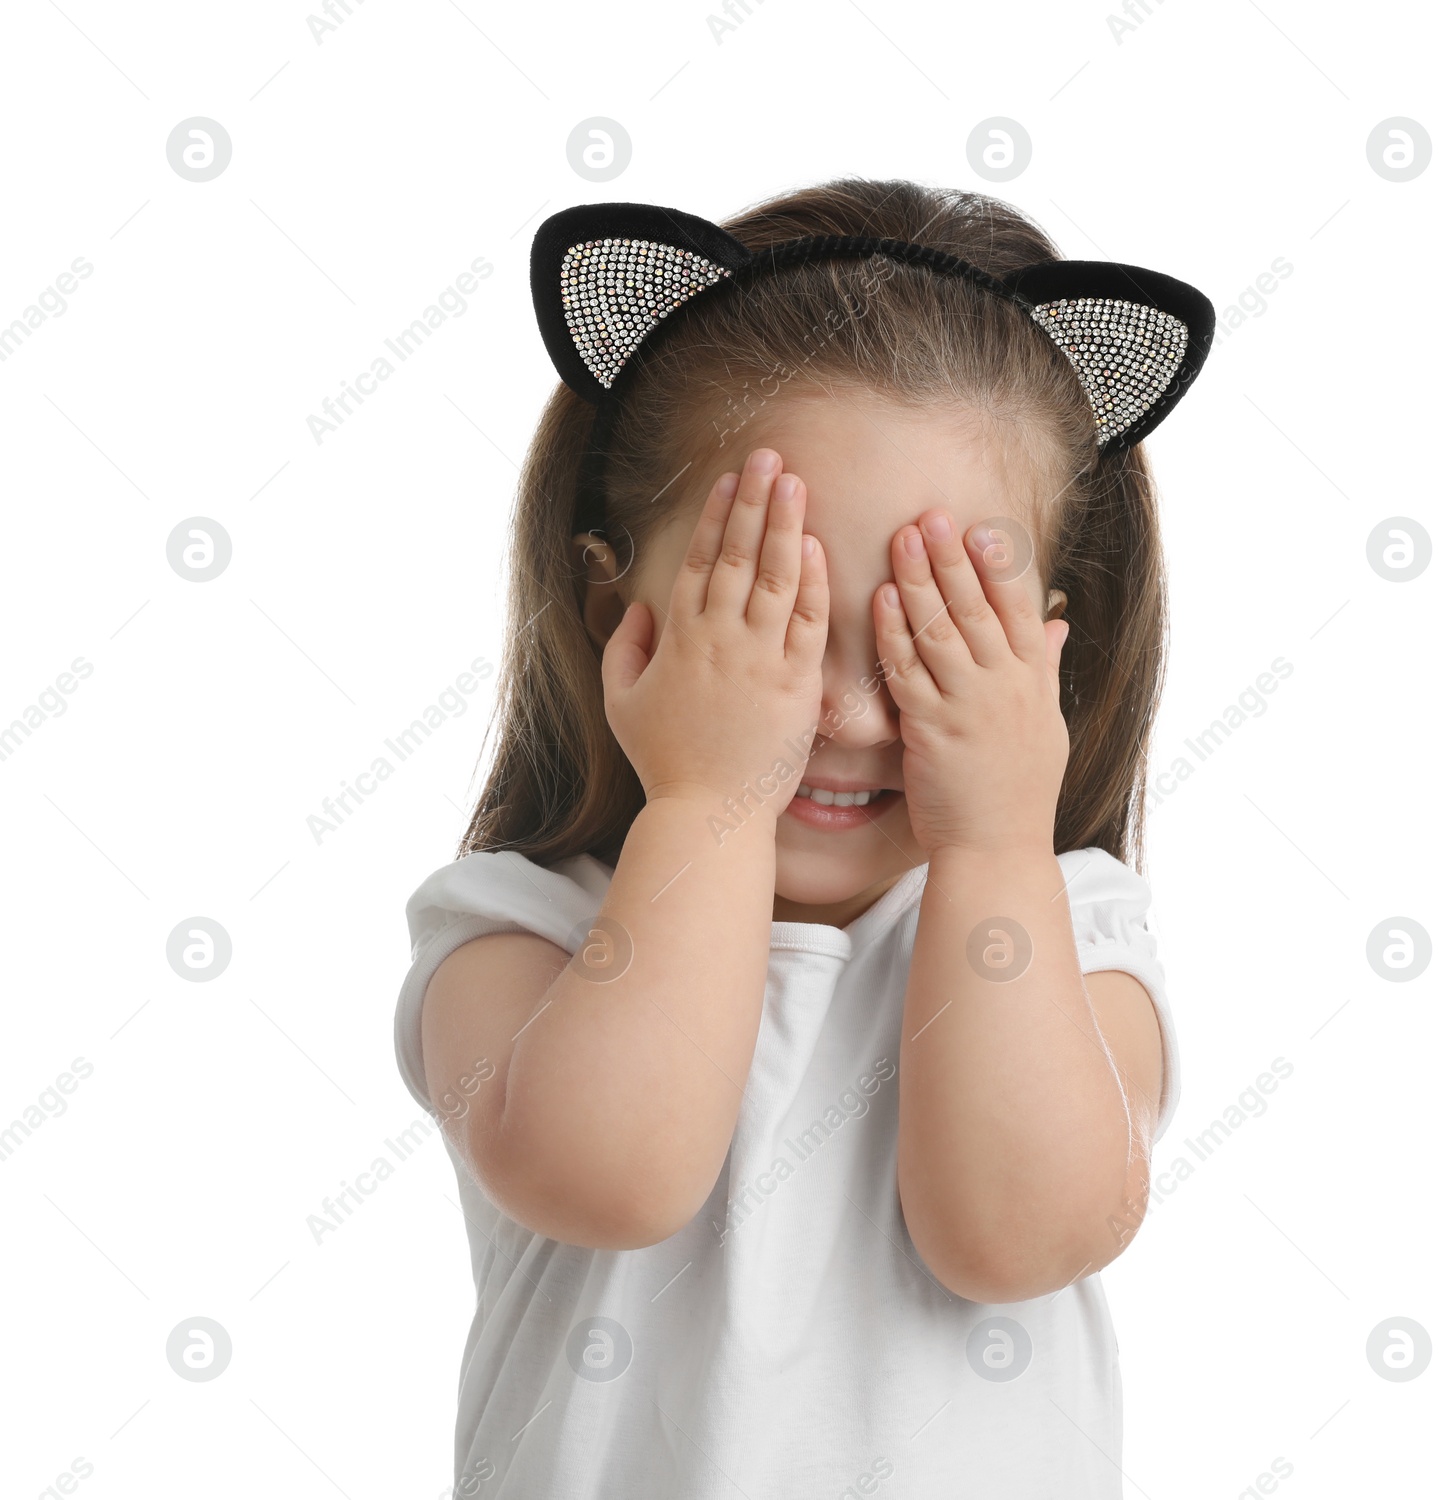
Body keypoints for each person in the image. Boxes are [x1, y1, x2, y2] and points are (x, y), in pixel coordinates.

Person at [394, 176, 1213, 1497]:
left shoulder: (1074, 939)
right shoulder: (517, 937)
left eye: (931, 641)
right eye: (769, 624)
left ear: (1048, 658)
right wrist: (711, 796)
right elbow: (616, 1175)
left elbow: (1016, 1235)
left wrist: (997, 844)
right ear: (620, 612)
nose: (840, 713)